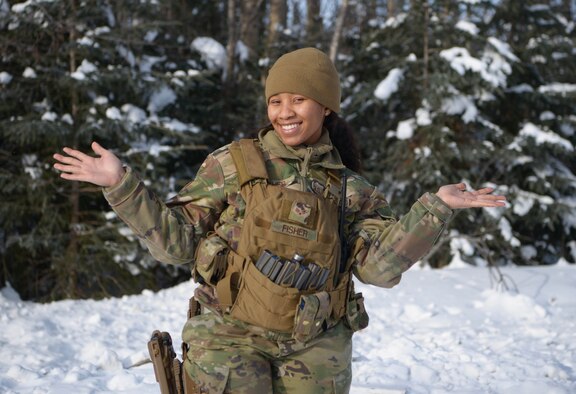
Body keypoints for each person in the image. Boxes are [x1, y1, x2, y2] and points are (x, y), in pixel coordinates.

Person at [53, 47, 506, 393]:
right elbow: (177, 245)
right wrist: (121, 185)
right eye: (275, 100)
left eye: (298, 99)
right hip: (227, 337)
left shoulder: (352, 189)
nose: (284, 111)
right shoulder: (233, 164)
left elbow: (378, 270)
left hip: (316, 345)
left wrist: (436, 209)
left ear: (326, 106)